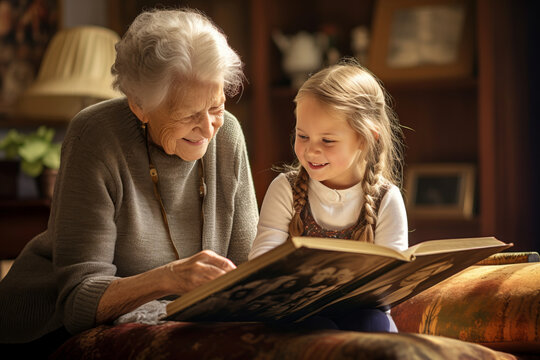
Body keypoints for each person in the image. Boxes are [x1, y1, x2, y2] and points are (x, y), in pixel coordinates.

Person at [0, 7, 259, 353]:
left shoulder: (228, 137)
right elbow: (79, 302)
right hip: (47, 327)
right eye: (188, 114)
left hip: (169, 321)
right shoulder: (94, 136)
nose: (209, 127)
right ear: (139, 104)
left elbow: (250, 271)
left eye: (216, 107)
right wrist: (168, 278)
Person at [248, 58, 408, 332]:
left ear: (366, 137)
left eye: (328, 140)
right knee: (313, 329)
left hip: (363, 314)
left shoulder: (387, 198)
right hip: (298, 312)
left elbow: (391, 285)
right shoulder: (284, 189)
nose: (311, 151)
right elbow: (262, 262)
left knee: (374, 325)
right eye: (302, 136)